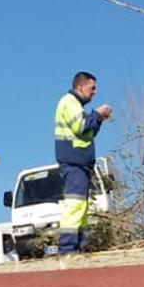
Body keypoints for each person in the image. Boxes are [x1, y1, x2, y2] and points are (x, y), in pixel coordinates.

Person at [52, 71, 112, 255]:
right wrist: (97, 114)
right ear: (80, 86)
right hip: (73, 163)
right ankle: (68, 249)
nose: (94, 92)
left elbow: (88, 133)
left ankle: (78, 247)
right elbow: (80, 126)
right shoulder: (69, 102)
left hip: (80, 164)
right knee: (74, 206)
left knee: (81, 208)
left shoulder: (76, 105)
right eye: (92, 88)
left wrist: (98, 119)